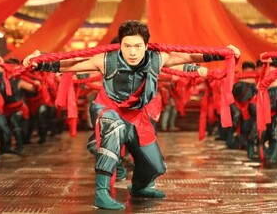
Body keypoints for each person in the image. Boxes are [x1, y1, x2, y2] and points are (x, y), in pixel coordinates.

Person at [23, 20, 240, 210]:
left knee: (156, 166)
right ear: (120, 45)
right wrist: (40, 60)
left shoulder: (157, 59)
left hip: (137, 116)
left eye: (137, 46)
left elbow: (189, 55)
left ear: (146, 46)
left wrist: (224, 52)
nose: (132, 52)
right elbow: (72, 63)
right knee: (114, 127)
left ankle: (139, 186)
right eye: (127, 46)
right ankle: (101, 193)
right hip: (109, 108)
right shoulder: (105, 60)